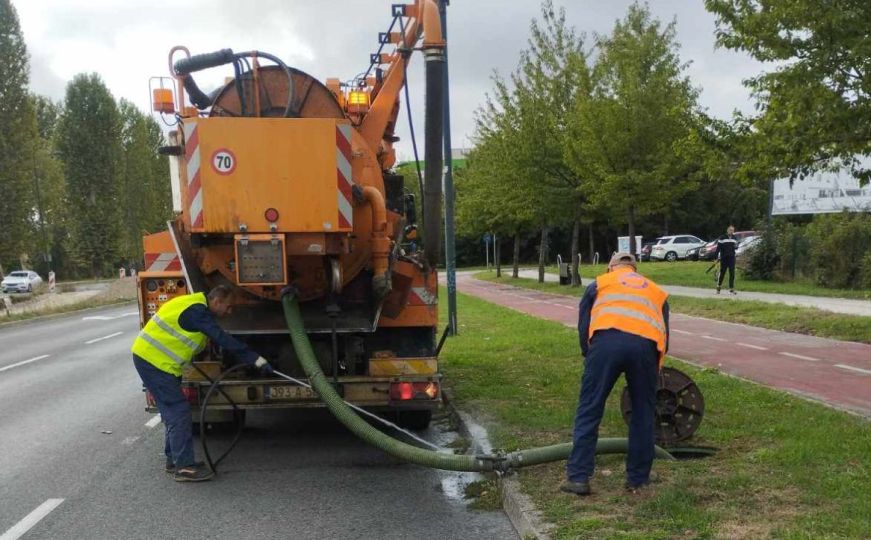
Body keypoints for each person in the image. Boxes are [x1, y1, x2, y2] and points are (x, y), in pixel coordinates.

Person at [131, 285, 273, 482]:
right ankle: (184, 467)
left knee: (173, 412)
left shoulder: (194, 305)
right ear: (216, 302)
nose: (229, 312)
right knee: (178, 411)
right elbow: (221, 337)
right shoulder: (196, 312)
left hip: (157, 362)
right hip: (154, 363)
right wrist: (256, 359)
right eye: (228, 307)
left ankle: (175, 461)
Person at [561, 253, 669, 496]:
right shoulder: (655, 291)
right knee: (643, 411)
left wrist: (589, 355)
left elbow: (584, 326)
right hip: (645, 347)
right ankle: (638, 478)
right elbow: (664, 333)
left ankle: (578, 478)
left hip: (605, 343)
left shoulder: (599, 284)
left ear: (611, 267)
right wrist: (656, 366)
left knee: (590, 407)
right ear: (635, 269)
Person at [715, 225, 739, 294]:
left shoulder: (734, 238)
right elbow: (718, 248)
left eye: (733, 230)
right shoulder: (722, 238)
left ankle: (731, 288)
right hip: (724, 258)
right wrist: (716, 257)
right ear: (727, 230)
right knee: (722, 272)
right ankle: (719, 286)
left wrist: (736, 246)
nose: (731, 232)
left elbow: (736, 247)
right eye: (730, 230)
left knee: (732, 273)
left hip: (732, 258)